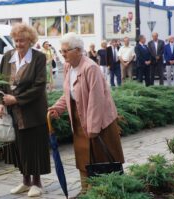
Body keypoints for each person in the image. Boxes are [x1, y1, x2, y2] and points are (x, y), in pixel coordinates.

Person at [48, 32, 124, 197]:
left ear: (78, 50)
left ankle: (106, 190)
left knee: (102, 158)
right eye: (61, 51)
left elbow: (97, 100)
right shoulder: (68, 66)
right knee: (83, 157)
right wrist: (58, 108)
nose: (62, 54)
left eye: (65, 51)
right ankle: (85, 190)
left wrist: (94, 128)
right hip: (79, 118)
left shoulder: (90, 68)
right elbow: (69, 92)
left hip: (100, 121)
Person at [0, 23, 51, 197]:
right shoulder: (7, 57)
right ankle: (25, 182)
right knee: (19, 146)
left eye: (23, 41)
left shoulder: (39, 58)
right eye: (16, 40)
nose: (19, 44)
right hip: (13, 112)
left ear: (31, 41)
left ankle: (37, 183)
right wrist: (0, 103)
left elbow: (39, 85)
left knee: (34, 146)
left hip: (33, 111)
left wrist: (17, 99)